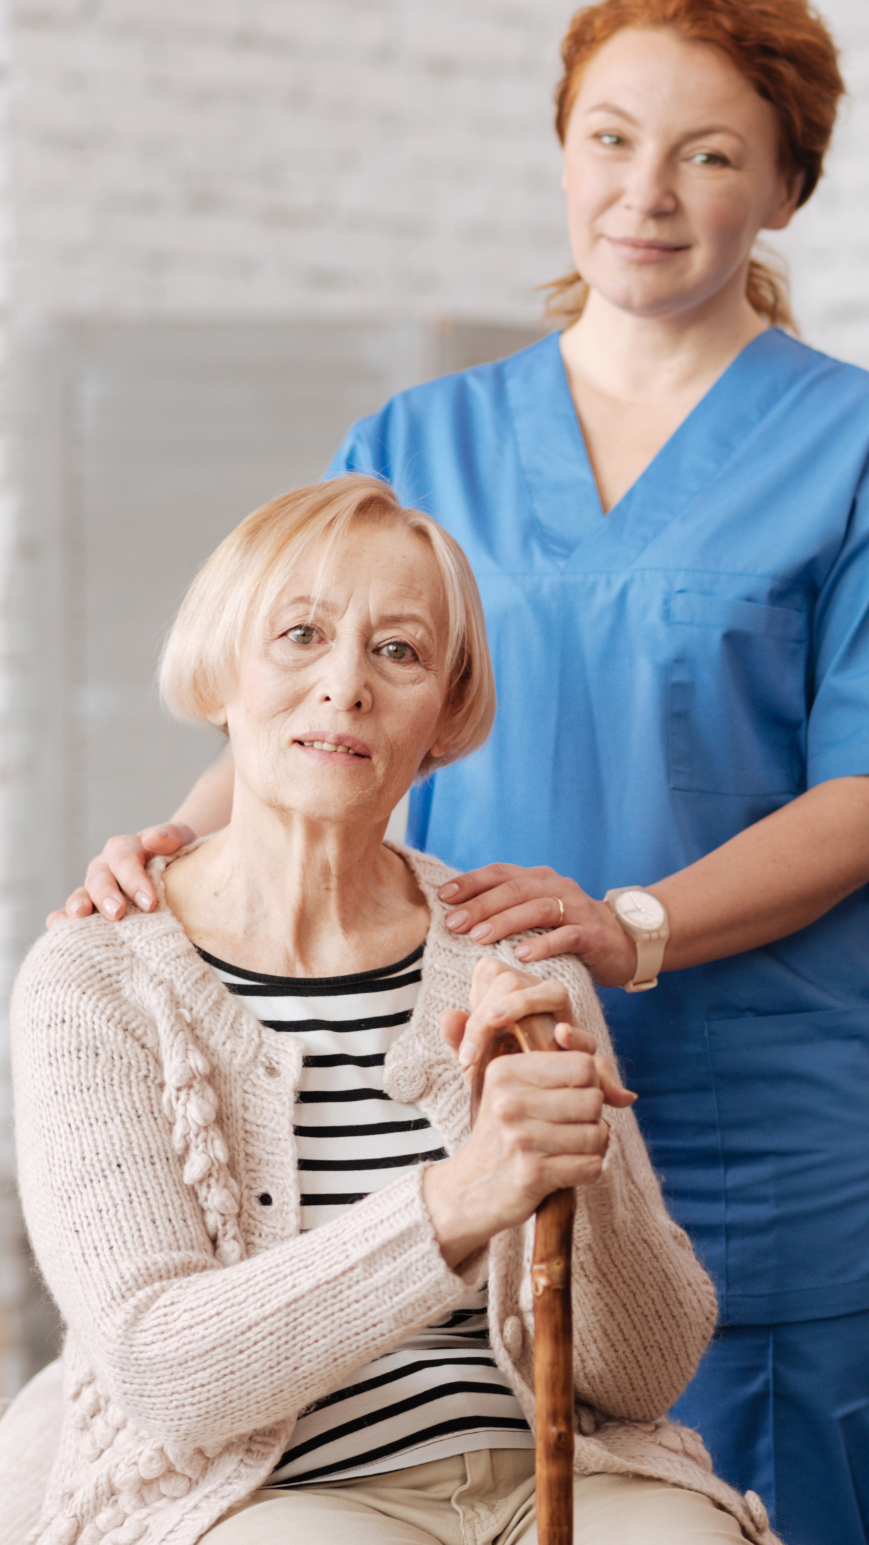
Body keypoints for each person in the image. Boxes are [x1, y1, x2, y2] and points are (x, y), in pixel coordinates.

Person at [52, 4, 869, 1543]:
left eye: (708, 156)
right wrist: (157, 858)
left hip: (755, 1087)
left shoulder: (850, 445)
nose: (645, 191)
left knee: (755, 1486)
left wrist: (625, 929)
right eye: (609, 140)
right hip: (443, 1070)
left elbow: (865, 783)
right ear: (561, 152)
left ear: (783, 189)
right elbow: (301, 703)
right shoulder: (420, 439)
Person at [3, 474, 772, 1545]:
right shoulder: (94, 979)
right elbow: (163, 1374)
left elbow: (637, 1377)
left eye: (397, 652)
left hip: (553, 1472)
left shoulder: (509, 953)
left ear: (447, 718)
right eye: (301, 635)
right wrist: (462, 1198)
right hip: (259, 1493)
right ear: (222, 672)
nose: (343, 687)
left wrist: (565, 1165)